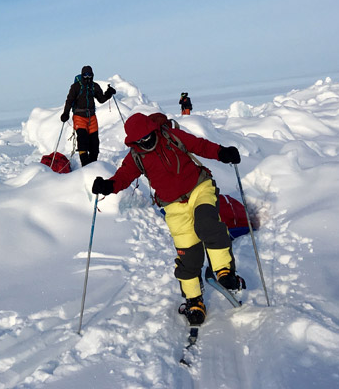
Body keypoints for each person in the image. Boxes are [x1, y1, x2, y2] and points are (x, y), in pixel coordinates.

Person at [91, 112, 244, 325]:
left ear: (154, 130)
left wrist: (222, 153)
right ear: (133, 142)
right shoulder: (136, 156)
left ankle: (224, 271)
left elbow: (200, 146)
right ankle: (194, 301)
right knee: (187, 254)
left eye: (148, 136)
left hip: (200, 187)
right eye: (140, 140)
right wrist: (108, 186)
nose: (146, 142)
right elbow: (124, 176)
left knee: (207, 223)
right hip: (173, 206)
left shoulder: (171, 136)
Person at [60, 66, 115, 166]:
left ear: (92, 75)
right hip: (79, 117)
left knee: (95, 143)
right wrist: (65, 113)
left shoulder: (94, 86)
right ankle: (85, 165)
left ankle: (93, 163)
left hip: (92, 117)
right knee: (82, 140)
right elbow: (69, 101)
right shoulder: (76, 87)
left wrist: (108, 93)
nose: (87, 77)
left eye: (89, 74)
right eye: (85, 75)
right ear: (82, 75)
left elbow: (101, 99)